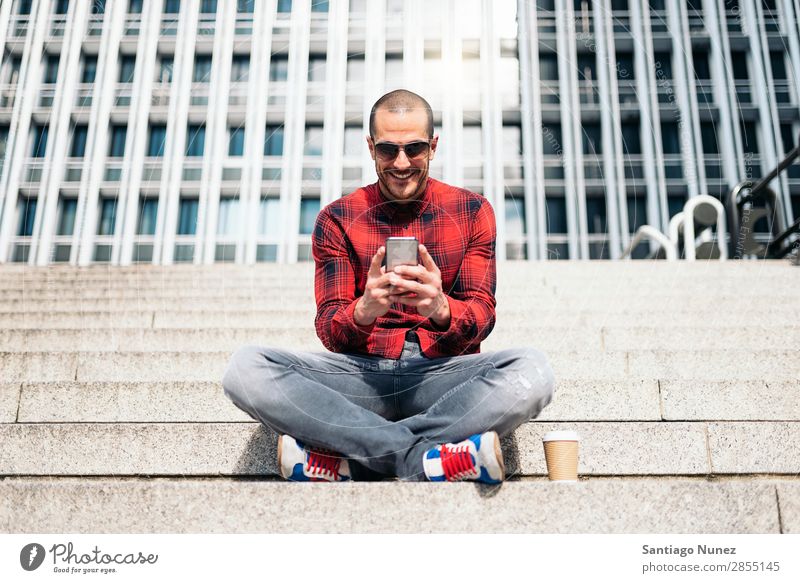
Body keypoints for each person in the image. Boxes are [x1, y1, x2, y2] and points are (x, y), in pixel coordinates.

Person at [222, 89, 555, 483]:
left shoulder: (472, 211)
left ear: (432, 146)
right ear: (370, 147)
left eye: (413, 148)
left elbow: (482, 314)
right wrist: (363, 311)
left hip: (441, 376)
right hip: (360, 376)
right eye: (387, 150)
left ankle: (359, 460)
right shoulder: (337, 218)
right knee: (245, 369)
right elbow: (330, 328)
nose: (400, 163)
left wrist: (440, 308)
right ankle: (427, 459)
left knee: (533, 369)